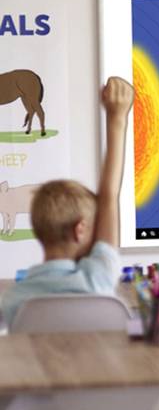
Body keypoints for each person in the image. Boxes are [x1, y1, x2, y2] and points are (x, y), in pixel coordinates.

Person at [1, 77, 134, 326]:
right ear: (80, 230)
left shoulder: (12, 300)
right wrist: (117, 117)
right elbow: (109, 196)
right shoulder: (97, 278)